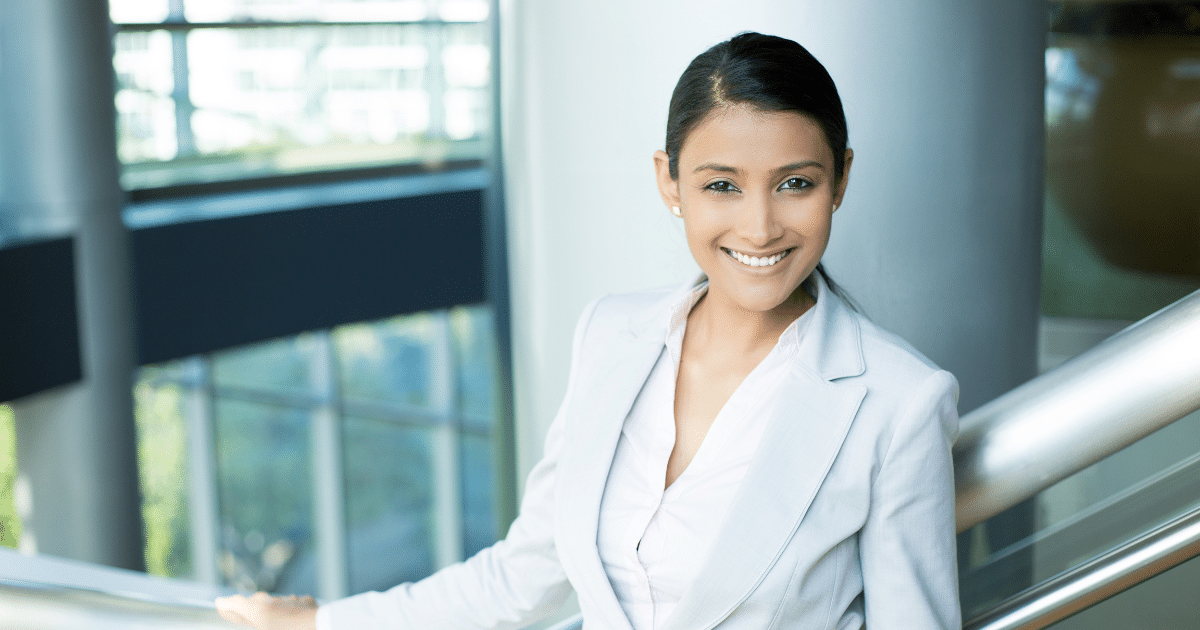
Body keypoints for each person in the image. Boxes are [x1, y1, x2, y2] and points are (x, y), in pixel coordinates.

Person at [216, 31, 960, 630]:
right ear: (670, 181)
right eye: (721, 185)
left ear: (842, 178)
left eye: (795, 183)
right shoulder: (611, 334)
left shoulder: (900, 402)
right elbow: (527, 574)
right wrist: (326, 622)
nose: (759, 225)